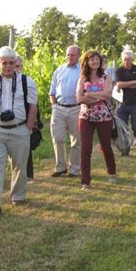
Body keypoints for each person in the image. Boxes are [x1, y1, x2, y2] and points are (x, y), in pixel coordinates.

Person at [0, 47, 38, 214]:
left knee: (19, 165)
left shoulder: (26, 81)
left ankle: (18, 196)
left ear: (16, 63)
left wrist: (28, 128)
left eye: (11, 63)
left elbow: (33, 107)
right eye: (4, 63)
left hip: (19, 129)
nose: (7, 67)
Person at [76, 50, 117, 189]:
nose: (95, 61)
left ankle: (112, 171)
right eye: (92, 59)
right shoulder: (82, 79)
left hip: (104, 117)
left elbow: (107, 95)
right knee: (85, 149)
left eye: (97, 59)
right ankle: (85, 181)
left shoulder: (106, 77)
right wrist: (98, 97)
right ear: (86, 62)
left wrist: (90, 94)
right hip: (86, 117)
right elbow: (79, 98)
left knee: (105, 146)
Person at [49, 45, 82, 178]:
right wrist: (54, 106)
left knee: (76, 140)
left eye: (72, 55)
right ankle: (60, 167)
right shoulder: (59, 70)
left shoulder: (82, 71)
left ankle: (74, 169)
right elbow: (52, 91)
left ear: (79, 55)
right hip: (59, 108)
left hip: (76, 108)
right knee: (57, 138)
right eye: (68, 54)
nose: (69, 57)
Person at [14, 56, 43, 181]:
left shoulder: (26, 82)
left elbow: (34, 103)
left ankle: (29, 175)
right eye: (14, 66)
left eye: (18, 66)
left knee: (26, 148)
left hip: (26, 118)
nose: (16, 69)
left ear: (22, 67)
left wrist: (36, 120)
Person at [115, 50, 136, 156]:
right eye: (124, 60)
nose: (126, 62)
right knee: (123, 128)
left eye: (128, 60)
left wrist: (126, 84)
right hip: (123, 104)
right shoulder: (119, 71)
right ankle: (125, 149)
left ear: (132, 60)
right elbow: (119, 84)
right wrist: (133, 83)